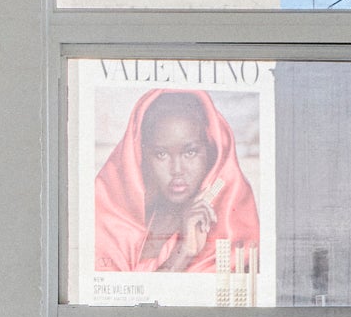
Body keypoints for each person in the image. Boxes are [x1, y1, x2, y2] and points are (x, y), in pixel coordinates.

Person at [94, 87, 261, 275]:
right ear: (142, 155)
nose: (177, 170)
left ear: (211, 150)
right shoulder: (117, 217)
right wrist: (183, 253)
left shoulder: (235, 229)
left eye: (190, 152)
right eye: (161, 154)